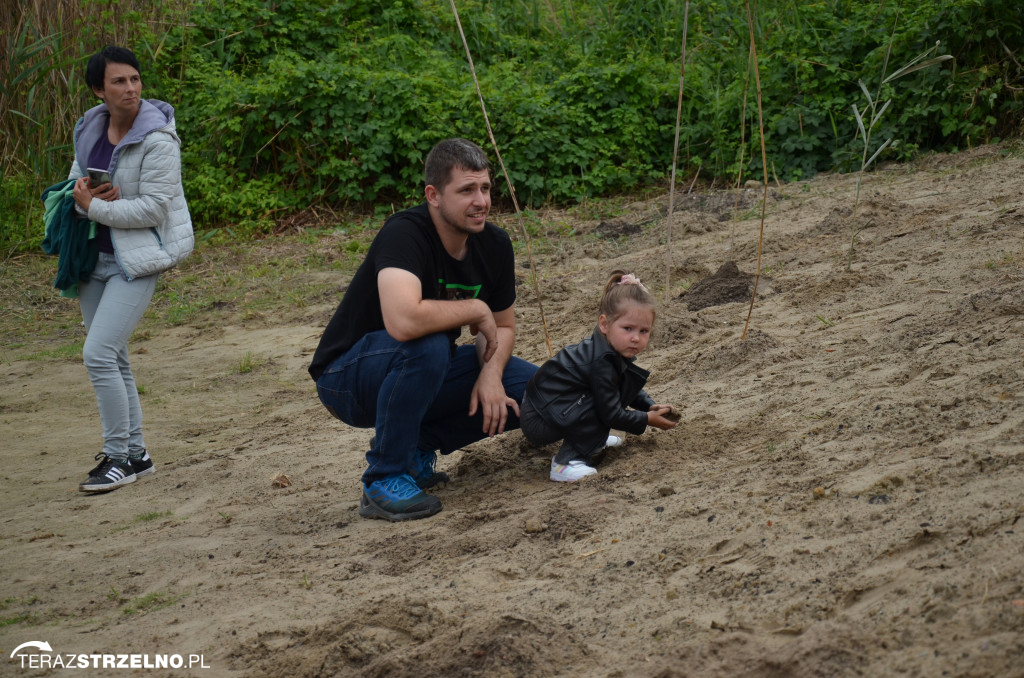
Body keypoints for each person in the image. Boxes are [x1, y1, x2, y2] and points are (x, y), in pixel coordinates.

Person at [309, 138, 538, 522]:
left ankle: (415, 448)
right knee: (427, 342)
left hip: (421, 369)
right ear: (433, 195)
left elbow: (503, 327)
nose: (480, 201)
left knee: (534, 389)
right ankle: (384, 477)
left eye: (485, 188)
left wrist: (491, 374)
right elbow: (404, 321)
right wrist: (475, 307)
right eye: (466, 190)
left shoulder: (494, 244)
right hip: (347, 378)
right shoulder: (405, 233)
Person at [68, 46, 194, 492]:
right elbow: (76, 186)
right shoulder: (89, 127)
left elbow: (155, 210)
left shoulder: (159, 139)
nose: (131, 89)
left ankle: (117, 457)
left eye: (135, 79)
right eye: (119, 81)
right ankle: (137, 456)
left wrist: (93, 209)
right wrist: (83, 199)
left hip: (137, 262)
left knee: (98, 354)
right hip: (93, 260)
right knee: (113, 355)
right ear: (99, 89)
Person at [521, 271, 677, 482]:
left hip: (553, 407)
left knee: (606, 396)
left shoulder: (610, 350)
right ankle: (565, 463)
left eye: (643, 331)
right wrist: (646, 420)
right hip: (540, 418)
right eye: (628, 328)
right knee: (602, 406)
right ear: (604, 324)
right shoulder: (601, 361)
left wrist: (648, 405)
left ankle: (594, 440)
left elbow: (625, 385)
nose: (635, 338)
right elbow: (611, 414)